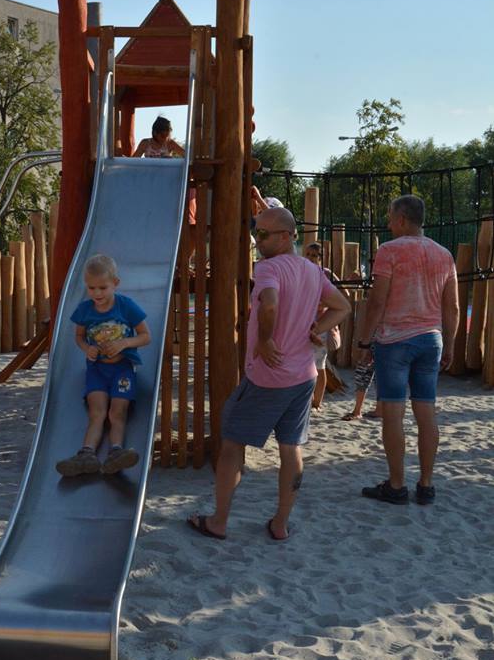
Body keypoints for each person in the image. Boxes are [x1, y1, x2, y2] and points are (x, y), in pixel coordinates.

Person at [187, 206, 350, 541]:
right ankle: (280, 523)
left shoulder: (268, 267)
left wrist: (264, 339)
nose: (257, 240)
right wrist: (316, 329)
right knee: (291, 448)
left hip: (269, 375)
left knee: (232, 444)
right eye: (255, 232)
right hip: (303, 375)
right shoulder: (312, 270)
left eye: (263, 234)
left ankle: (218, 521)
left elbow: (271, 303)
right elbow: (342, 306)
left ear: (286, 236)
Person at [356, 195, 459, 505]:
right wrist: (450, 344)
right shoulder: (444, 254)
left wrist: (364, 341)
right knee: (426, 413)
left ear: (401, 220)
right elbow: (452, 307)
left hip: (395, 341)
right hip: (431, 340)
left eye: (390, 218)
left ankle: (397, 485)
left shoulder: (389, 251)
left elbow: (377, 301)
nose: (389, 224)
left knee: (393, 414)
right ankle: (426, 485)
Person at [56, 254, 151, 477]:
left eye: (103, 288)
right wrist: (86, 348)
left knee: (117, 412)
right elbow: (79, 337)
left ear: (115, 283)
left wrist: (123, 343)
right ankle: (86, 455)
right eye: (91, 288)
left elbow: (146, 336)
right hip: (97, 370)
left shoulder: (126, 306)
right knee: (96, 412)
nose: (97, 293)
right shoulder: (85, 310)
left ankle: (116, 452)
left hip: (123, 369)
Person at [133, 116, 196, 258]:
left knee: (169, 219)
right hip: (150, 184)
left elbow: (187, 156)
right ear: (155, 133)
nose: (165, 138)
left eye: (167, 135)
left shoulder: (169, 144)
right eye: (162, 135)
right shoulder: (145, 143)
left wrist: (171, 160)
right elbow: (134, 159)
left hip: (166, 185)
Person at [304, 242, 340, 411]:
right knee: (308, 365)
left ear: (321, 258)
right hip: (304, 324)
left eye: (314, 255)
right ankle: (310, 401)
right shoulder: (303, 271)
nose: (310, 258)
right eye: (308, 254)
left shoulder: (325, 273)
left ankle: (316, 402)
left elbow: (343, 294)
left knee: (318, 366)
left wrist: (322, 304)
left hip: (321, 325)